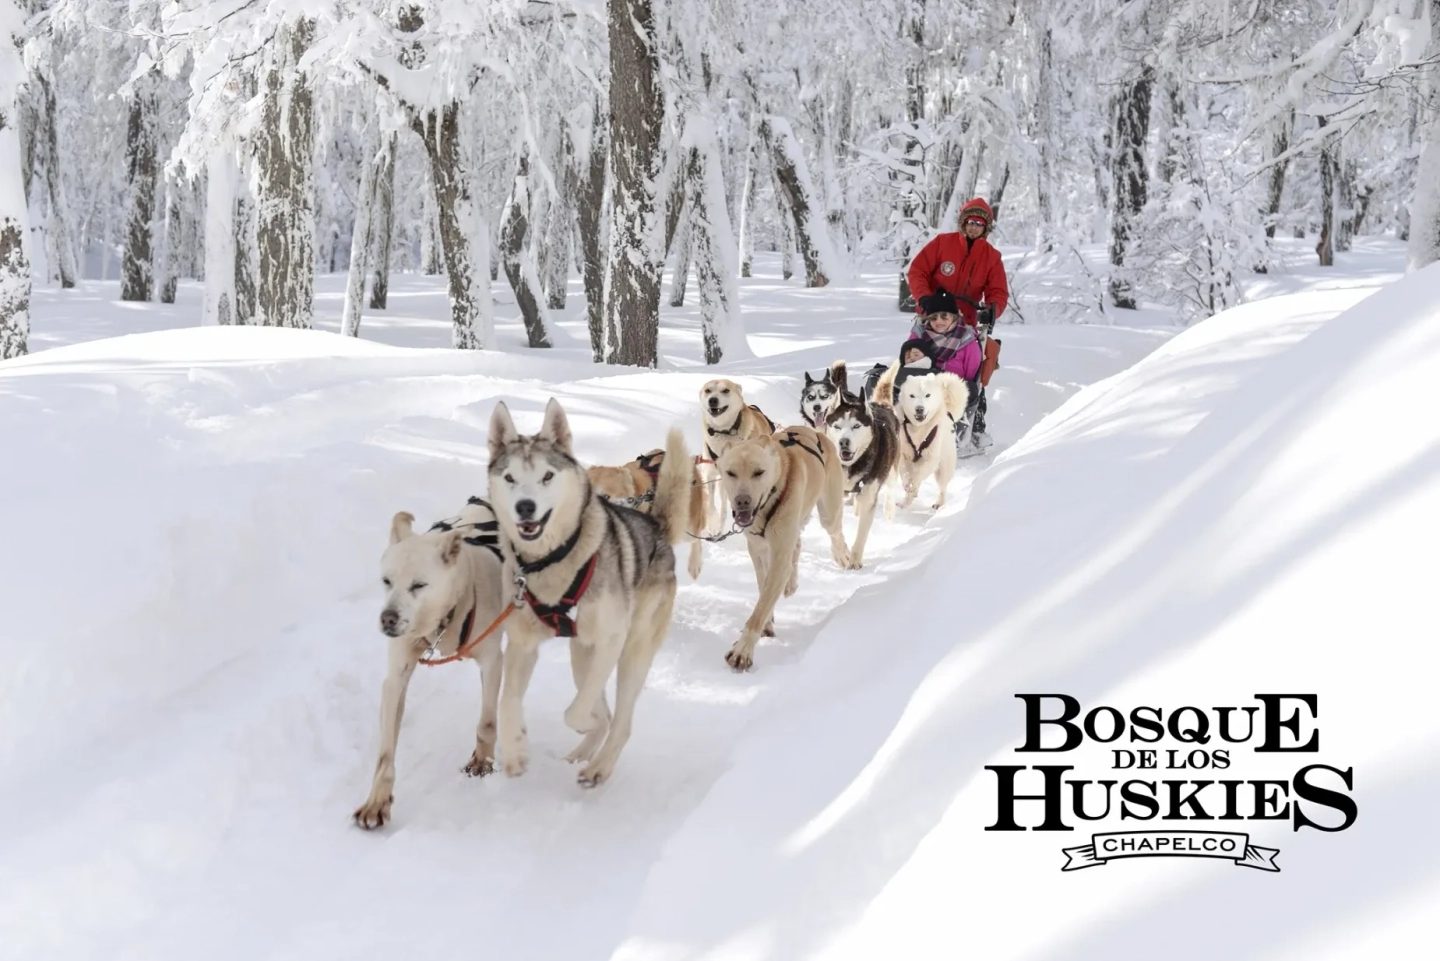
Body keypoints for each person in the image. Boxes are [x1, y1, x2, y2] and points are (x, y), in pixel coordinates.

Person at [905, 198, 1009, 453]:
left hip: (966, 322)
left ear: (985, 228)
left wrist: (992, 309)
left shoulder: (991, 257)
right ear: (963, 223)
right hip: (933, 317)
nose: (974, 227)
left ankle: (974, 425)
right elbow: (917, 271)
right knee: (918, 361)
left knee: (976, 368)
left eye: (979, 224)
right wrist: (924, 297)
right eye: (970, 222)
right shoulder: (943, 243)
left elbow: (998, 291)